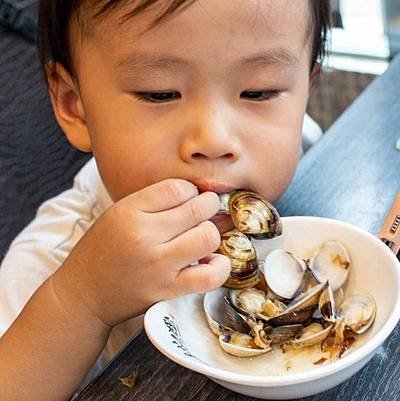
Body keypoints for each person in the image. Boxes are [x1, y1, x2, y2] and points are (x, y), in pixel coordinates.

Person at [0, 1, 330, 399]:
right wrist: (83, 302)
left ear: (306, 91)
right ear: (76, 106)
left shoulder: (307, 143)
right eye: (160, 94)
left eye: (258, 92)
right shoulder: (52, 262)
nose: (214, 139)